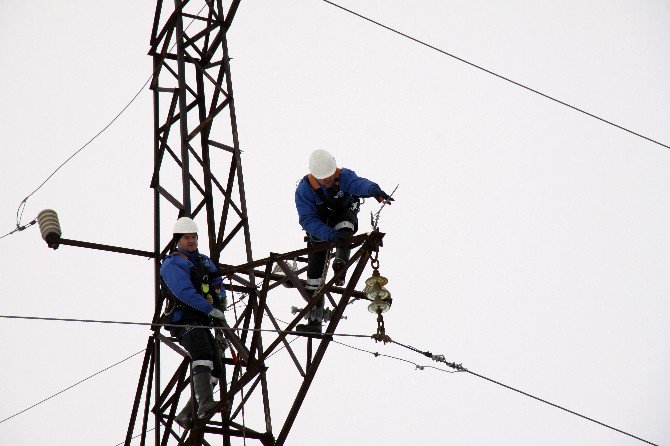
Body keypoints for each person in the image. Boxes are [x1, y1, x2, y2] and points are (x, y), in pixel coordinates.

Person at [294, 149, 393, 333]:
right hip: (320, 230)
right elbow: (308, 220)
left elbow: (358, 184)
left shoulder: (343, 176)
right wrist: (330, 236)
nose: (328, 180)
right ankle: (314, 320)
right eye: (324, 178)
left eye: (330, 176)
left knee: (345, 223)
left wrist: (374, 191)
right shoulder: (305, 190)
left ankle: (341, 263)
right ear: (314, 175)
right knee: (314, 276)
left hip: (342, 221)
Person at [160, 216, 227, 427]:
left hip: (203, 318)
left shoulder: (203, 261)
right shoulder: (173, 263)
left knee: (217, 368)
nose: (191, 241)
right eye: (187, 237)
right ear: (177, 240)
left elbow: (216, 282)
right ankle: (206, 403)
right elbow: (183, 292)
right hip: (183, 318)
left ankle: (186, 414)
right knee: (202, 353)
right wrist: (211, 309)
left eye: (194, 237)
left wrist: (220, 302)